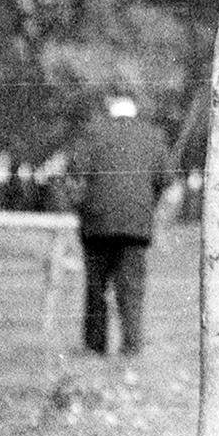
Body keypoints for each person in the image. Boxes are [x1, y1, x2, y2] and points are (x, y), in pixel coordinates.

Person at [70, 87, 170, 358]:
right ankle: (132, 346)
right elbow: (164, 180)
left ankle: (94, 345)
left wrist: (82, 205)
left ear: (108, 103)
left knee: (96, 289)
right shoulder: (153, 136)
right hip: (136, 226)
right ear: (135, 104)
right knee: (131, 289)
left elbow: (76, 174)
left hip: (97, 224)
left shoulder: (92, 132)